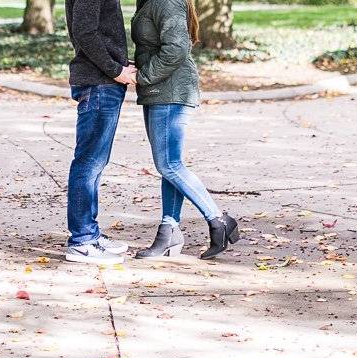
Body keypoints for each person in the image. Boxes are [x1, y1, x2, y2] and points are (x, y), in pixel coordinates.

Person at [132, 0, 239, 260]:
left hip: (171, 90)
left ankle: (219, 220)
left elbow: (177, 48)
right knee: (169, 165)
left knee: (169, 164)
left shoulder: (165, 2)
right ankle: (168, 233)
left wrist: (142, 76)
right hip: (159, 90)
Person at [64, 0, 138, 265]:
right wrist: (115, 69)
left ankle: (90, 234)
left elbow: (97, 30)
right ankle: (82, 241)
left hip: (103, 81)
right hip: (99, 83)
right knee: (88, 162)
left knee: (95, 163)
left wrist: (119, 64)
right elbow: (84, 31)